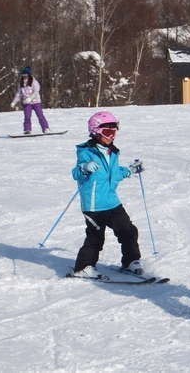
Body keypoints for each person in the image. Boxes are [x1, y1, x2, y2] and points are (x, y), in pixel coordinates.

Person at [67, 111, 145, 279]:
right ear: (95, 131)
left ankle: (131, 261)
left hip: (112, 202)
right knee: (95, 238)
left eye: (114, 132)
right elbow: (76, 174)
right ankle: (83, 267)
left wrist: (130, 170)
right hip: (94, 205)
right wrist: (84, 167)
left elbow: (114, 173)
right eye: (107, 132)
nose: (111, 136)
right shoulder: (86, 152)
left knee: (128, 231)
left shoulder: (113, 152)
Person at [10, 66, 50, 134]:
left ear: (29, 74)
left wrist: (30, 98)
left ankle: (45, 128)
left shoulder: (34, 82)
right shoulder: (21, 83)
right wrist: (14, 102)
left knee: (40, 115)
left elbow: (36, 91)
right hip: (26, 103)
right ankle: (27, 129)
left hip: (36, 102)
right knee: (27, 116)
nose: (24, 76)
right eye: (23, 75)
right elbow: (19, 94)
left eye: (26, 74)